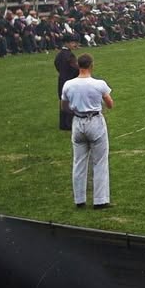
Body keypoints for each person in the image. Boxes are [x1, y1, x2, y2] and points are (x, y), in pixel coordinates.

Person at [60, 54, 114, 209]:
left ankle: (79, 199)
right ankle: (100, 199)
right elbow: (110, 103)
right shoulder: (99, 84)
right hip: (95, 121)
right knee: (100, 162)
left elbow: (64, 106)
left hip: (78, 122)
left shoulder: (68, 85)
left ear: (78, 65)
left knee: (79, 162)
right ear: (91, 65)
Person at [54, 35, 80, 130]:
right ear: (66, 43)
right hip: (70, 80)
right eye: (73, 42)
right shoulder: (69, 55)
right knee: (70, 102)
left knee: (63, 101)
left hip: (62, 80)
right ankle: (69, 124)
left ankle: (63, 124)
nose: (75, 44)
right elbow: (75, 68)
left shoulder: (60, 54)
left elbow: (56, 64)